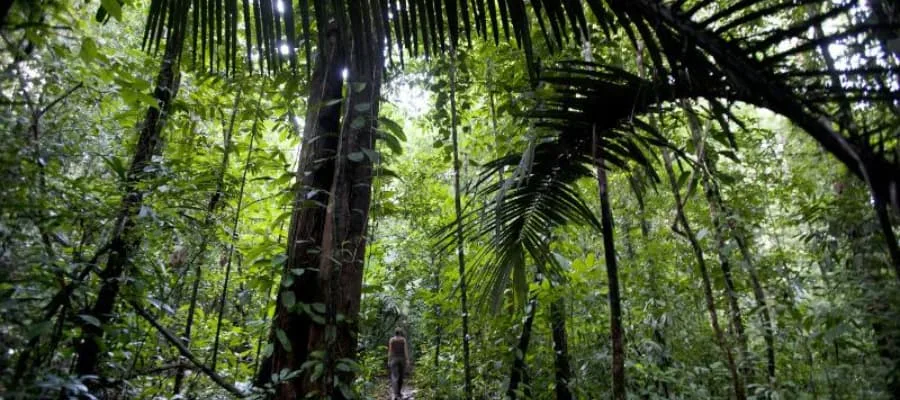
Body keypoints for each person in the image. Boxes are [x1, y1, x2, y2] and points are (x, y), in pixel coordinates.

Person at [387, 327, 410, 400]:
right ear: (400, 333)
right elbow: (405, 350)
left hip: (394, 359)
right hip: (402, 359)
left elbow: (390, 351)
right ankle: (398, 393)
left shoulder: (391, 340)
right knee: (401, 376)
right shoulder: (403, 340)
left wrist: (388, 360)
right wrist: (407, 360)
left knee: (394, 376)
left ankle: (396, 394)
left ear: (395, 332)